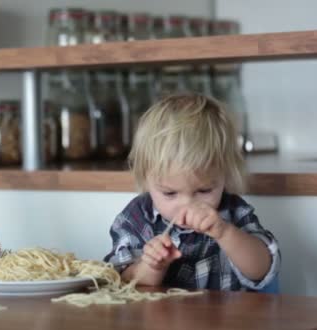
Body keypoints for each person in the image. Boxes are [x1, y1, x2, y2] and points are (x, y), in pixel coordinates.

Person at [104, 94, 280, 290]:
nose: (188, 206)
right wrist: (152, 266)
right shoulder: (137, 218)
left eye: (204, 190)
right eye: (170, 193)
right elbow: (124, 279)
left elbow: (262, 270)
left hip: (229, 319)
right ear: (146, 179)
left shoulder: (234, 213)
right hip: (162, 320)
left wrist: (224, 233)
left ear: (225, 176)